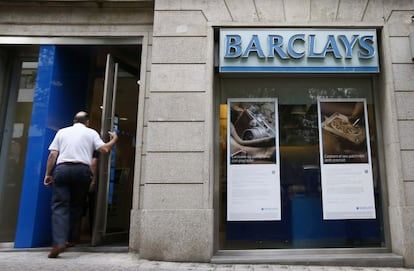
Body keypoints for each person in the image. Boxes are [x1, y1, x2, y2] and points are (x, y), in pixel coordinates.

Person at [43, 111, 118, 258]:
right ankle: (70, 239)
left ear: (74, 121)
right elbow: (105, 149)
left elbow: (52, 155)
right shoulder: (91, 133)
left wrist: (48, 174)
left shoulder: (62, 132)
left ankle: (59, 242)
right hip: (82, 171)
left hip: (63, 169)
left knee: (60, 206)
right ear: (87, 122)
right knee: (76, 206)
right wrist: (114, 139)